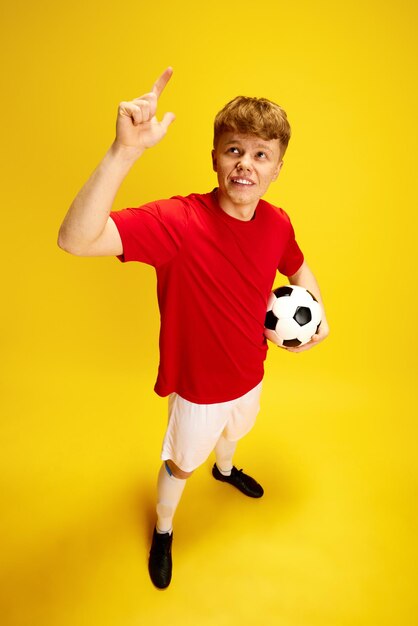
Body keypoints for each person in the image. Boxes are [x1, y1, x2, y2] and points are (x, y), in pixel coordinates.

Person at [57, 67, 330, 589]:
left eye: (259, 154)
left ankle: (225, 471)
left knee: (236, 433)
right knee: (181, 465)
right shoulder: (179, 223)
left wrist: (318, 311)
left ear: (276, 168)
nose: (245, 164)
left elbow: (297, 265)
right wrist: (124, 152)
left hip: (252, 371)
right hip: (199, 391)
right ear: (214, 158)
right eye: (233, 150)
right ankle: (163, 528)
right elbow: (75, 239)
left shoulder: (278, 222)